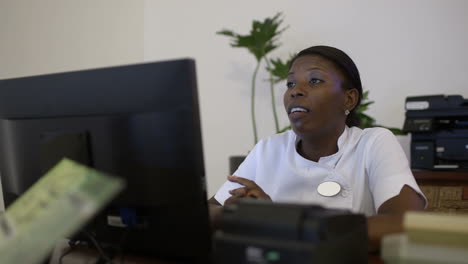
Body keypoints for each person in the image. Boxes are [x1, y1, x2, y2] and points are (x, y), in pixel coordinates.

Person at [208, 45, 426, 251]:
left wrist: (277, 221)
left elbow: (404, 224)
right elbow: (207, 212)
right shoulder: (268, 148)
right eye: (291, 84)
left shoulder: (373, 142)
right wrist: (232, 213)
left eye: (314, 81)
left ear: (349, 99)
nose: (296, 91)